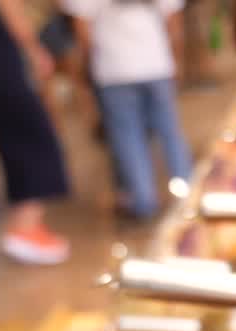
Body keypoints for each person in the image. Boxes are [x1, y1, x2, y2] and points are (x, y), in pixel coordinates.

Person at [0, 0, 71, 265]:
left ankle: (28, 223)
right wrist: (34, 49)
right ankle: (25, 228)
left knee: (18, 141)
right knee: (35, 140)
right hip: (3, 59)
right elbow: (9, 7)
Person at [66, 0, 194, 220]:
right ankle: (187, 192)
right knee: (169, 133)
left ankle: (144, 201)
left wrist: (88, 66)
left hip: (114, 68)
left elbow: (82, 28)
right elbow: (173, 18)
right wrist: (176, 58)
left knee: (129, 139)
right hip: (156, 64)